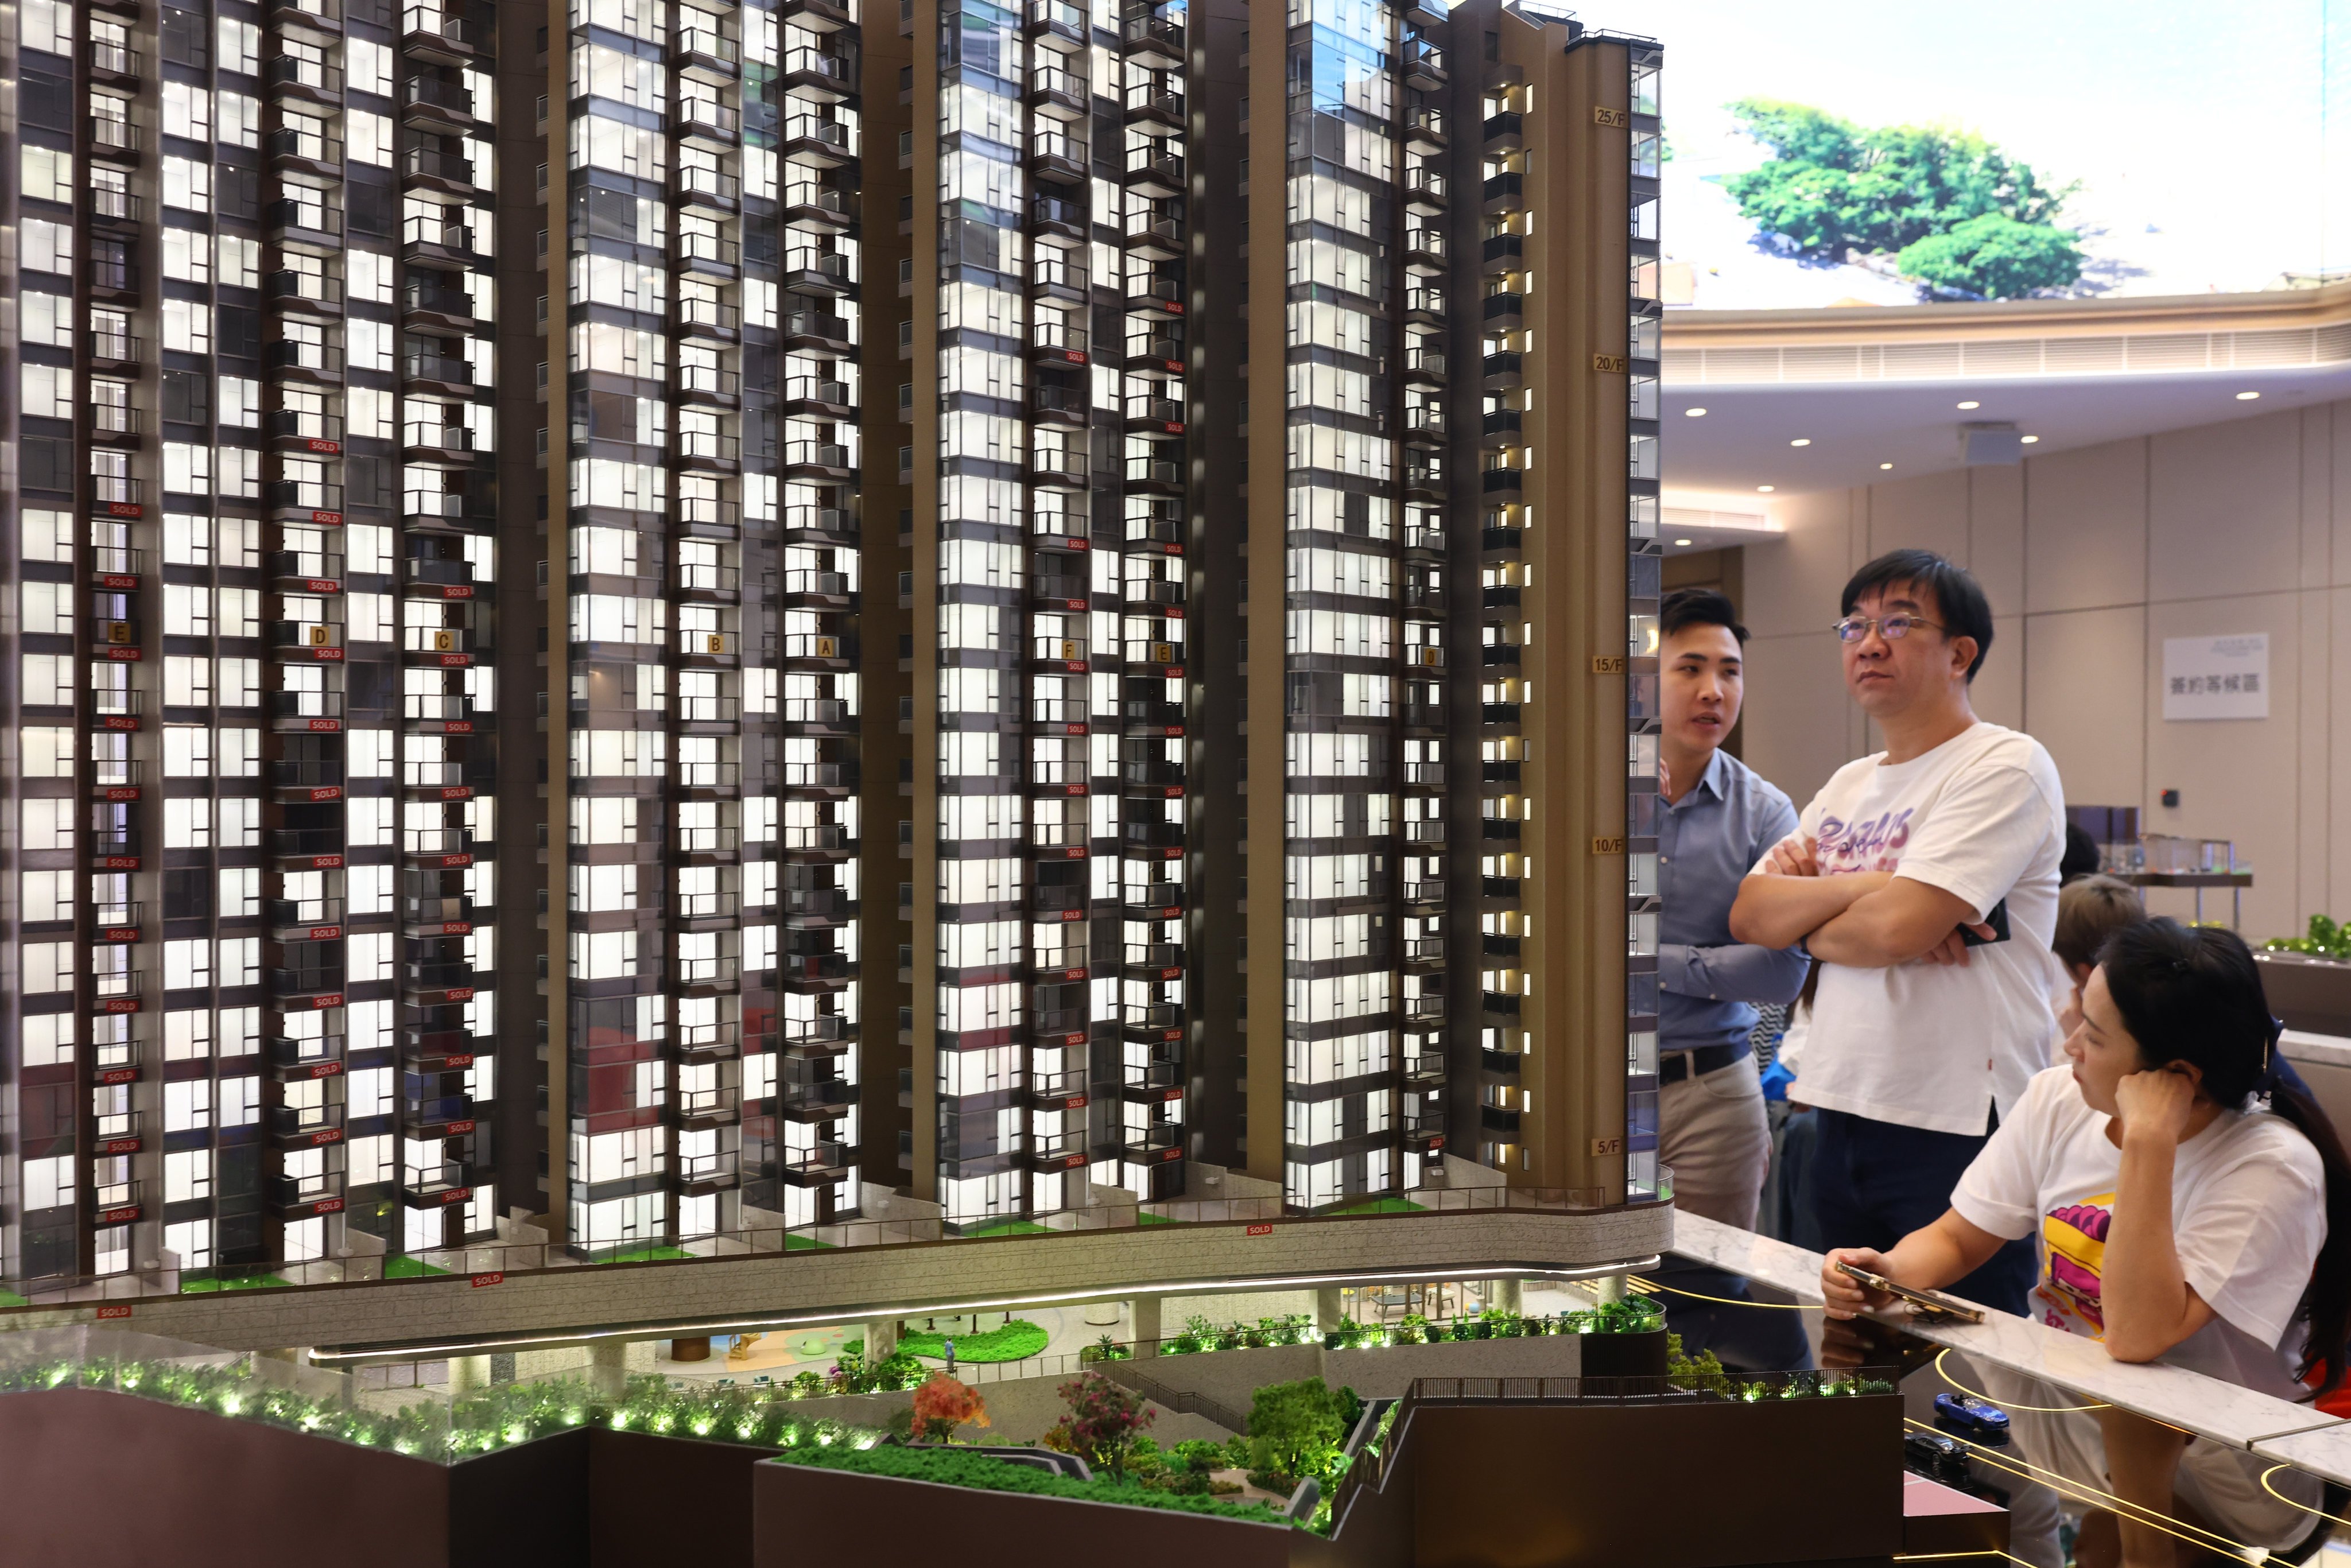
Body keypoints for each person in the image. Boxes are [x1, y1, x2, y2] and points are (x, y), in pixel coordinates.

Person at [1820, 920, 2350, 1567]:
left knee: (2111, 1535)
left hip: (2234, 1465)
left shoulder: (2271, 1163)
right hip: (2083, 1416)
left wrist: (2149, 1141)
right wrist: (1888, 1268)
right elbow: (1959, 1236)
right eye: (2076, 1010)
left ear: (2174, 1076)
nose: (2068, 1041)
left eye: (2093, 1035)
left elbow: (2136, 1335)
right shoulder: (2056, 1097)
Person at [1729, 549, 2065, 1315]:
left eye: (1897, 624)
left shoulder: (2004, 765)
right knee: (1849, 1345)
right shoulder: (1850, 783)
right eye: (1854, 626)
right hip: (1837, 1106)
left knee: (1965, 1362)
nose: (1868, 643)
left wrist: (1828, 909)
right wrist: (1886, 891)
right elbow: (1751, 916)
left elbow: (1897, 930)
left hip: (1956, 1118)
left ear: (1960, 653)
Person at [1646, 588, 1814, 1367]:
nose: (1714, 690)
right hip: (1582, 1091)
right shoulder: (1577, 793)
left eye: (1730, 671)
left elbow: (1783, 969)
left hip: (1713, 1095)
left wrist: (1651, 963)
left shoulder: (1766, 812)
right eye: (1691, 668)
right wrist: (1716, 967)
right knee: (1579, 1292)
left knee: (1708, 1304)